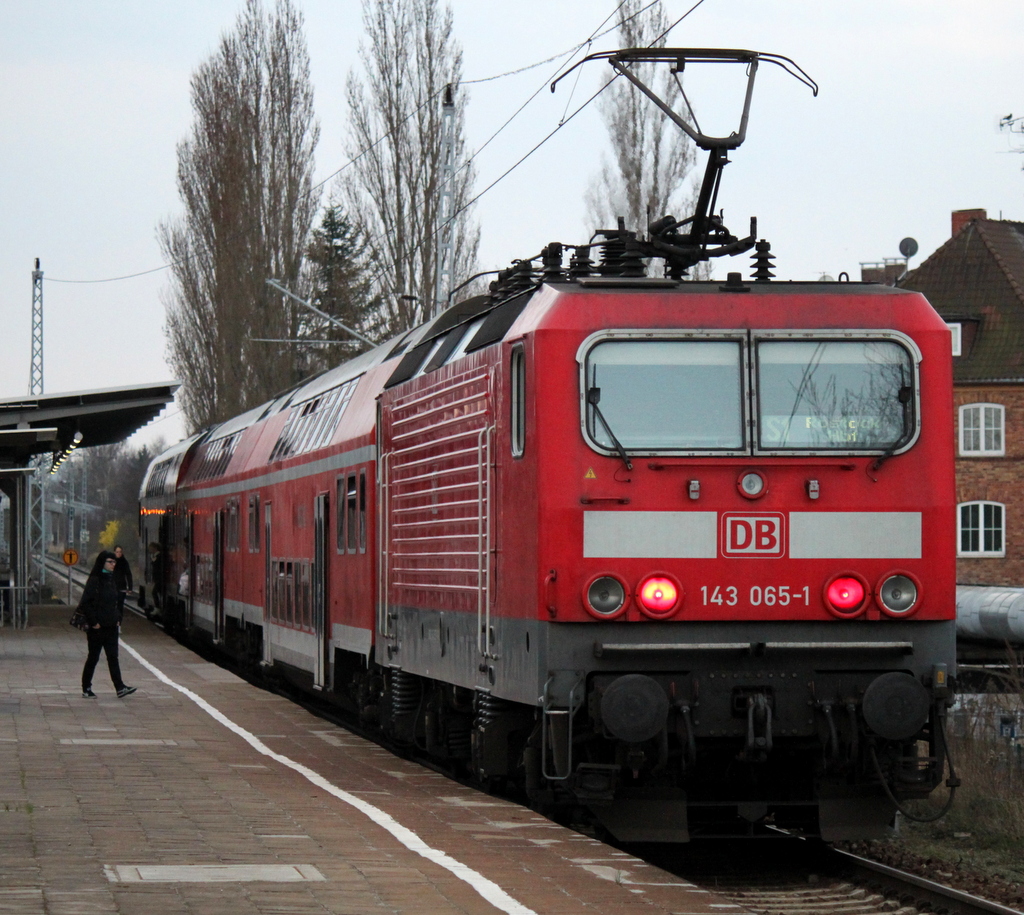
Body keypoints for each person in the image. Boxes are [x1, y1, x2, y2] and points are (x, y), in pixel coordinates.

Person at [79, 551, 136, 699]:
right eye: (110, 562)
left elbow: (116, 601)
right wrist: (94, 623)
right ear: (102, 563)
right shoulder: (95, 580)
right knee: (93, 657)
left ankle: (120, 687)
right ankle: (86, 687)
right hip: (97, 628)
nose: (113, 564)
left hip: (111, 625)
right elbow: (85, 603)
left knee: (113, 657)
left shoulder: (112, 580)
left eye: (114, 562)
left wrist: (118, 618)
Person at [112, 544, 133, 619]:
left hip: (122, 586)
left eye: (120, 552)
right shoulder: (111, 562)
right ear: (114, 552)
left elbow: (128, 574)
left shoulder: (124, 562)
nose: (119, 553)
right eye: (117, 552)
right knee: (112, 605)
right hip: (112, 586)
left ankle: (118, 623)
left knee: (120, 605)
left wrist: (130, 588)